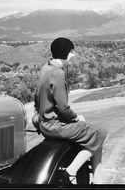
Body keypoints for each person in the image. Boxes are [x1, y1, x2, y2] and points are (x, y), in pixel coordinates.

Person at [33, 37, 108, 184]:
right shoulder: (58, 73)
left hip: (44, 123)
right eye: (71, 51)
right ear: (65, 53)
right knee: (104, 135)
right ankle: (71, 170)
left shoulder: (46, 68)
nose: (73, 55)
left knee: (96, 138)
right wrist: (76, 118)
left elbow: (36, 97)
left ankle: (99, 180)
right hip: (55, 126)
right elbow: (63, 107)